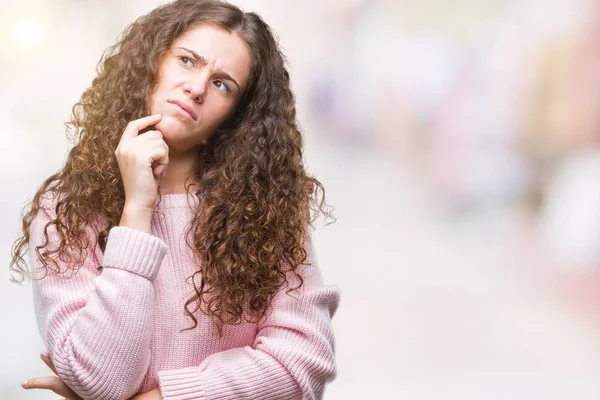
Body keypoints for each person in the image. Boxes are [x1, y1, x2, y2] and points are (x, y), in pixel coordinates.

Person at [9, 0, 340, 399]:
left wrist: (163, 397)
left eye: (222, 84)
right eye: (187, 61)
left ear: (235, 115)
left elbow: (302, 361)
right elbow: (103, 380)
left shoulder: (263, 211)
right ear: (152, 63)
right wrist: (138, 210)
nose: (197, 88)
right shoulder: (67, 211)